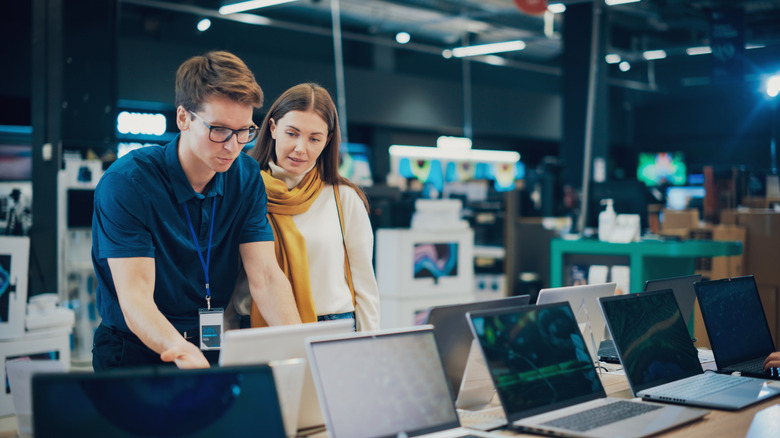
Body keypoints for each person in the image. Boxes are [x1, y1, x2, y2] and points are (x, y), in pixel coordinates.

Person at [91, 51, 301, 370]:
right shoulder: (127, 183)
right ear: (183, 118)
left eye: (244, 130)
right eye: (218, 129)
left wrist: (300, 348)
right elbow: (135, 300)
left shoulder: (245, 178)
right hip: (134, 348)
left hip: (209, 343)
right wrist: (182, 352)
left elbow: (267, 278)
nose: (233, 145)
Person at [228, 83, 380, 331]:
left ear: (327, 140)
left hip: (333, 329)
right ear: (273, 128)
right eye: (292, 133)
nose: (301, 148)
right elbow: (228, 281)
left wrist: (370, 345)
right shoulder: (242, 191)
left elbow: (365, 286)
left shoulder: (344, 199)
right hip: (258, 330)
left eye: (314, 138)